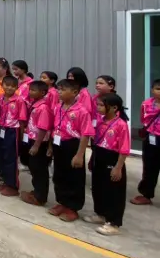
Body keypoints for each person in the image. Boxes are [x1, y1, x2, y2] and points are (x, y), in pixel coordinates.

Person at [84, 93, 130, 236]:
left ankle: (113, 223)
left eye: (101, 105)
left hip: (113, 158)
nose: (98, 108)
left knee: (113, 192)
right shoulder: (100, 121)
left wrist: (118, 167)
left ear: (114, 108)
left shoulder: (121, 125)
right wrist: (92, 159)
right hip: (99, 156)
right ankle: (100, 214)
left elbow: (124, 149)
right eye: (97, 105)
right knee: (98, 187)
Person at [49, 79, 95, 222]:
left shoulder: (82, 111)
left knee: (74, 177)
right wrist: (51, 147)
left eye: (63, 90)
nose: (59, 92)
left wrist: (79, 155)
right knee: (59, 174)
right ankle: (62, 202)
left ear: (75, 92)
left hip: (73, 145)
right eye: (58, 89)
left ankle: (72, 207)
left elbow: (86, 134)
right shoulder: (58, 107)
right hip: (58, 144)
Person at [21, 81, 54, 206]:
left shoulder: (43, 108)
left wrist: (36, 145)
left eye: (34, 90)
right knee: (33, 167)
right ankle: (36, 191)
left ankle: (40, 197)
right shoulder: (34, 104)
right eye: (30, 90)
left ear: (43, 93)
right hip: (31, 138)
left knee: (39, 169)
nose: (30, 92)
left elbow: (43, 128)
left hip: (39, 142)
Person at [131, 79, 160, 205]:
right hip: (151, 137)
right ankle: (146, 194)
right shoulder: (146, 104)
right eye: (158, 89)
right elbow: (143, 119)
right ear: (152, 90)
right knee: (149, 166)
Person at [0, 76, 26, 196]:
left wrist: (21, 136)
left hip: (13, 130)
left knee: (11, 157)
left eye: (13, 86)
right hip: (3, 128)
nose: (9, 88)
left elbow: (22, 119)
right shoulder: (1, 98)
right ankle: (5, 181)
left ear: (16, 87)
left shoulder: (19, 100)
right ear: (2, 86)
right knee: (1, 155)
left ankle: (13, 186)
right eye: (7, 85)